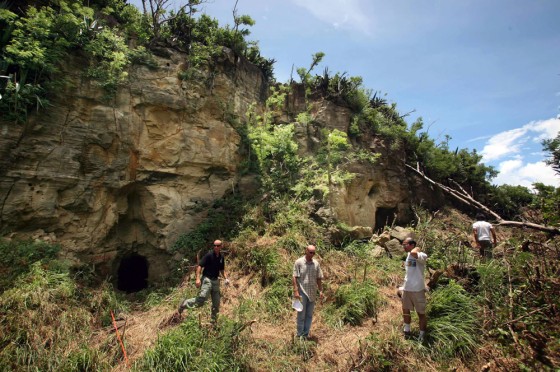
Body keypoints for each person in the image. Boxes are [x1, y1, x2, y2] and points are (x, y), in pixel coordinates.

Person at [178, 239, 230, 322]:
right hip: (207, 279)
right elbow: (200, 266)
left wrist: (226, 278)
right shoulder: (209, 255)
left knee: (216, 303)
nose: (216, 247)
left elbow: (222, 270)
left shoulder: (221, 257)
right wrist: (198, 278)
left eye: (217, 246)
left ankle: (213, 321)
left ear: (221, 246)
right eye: (214, 245)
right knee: (202, 299)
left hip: (216, 281)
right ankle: (184, 304)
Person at [292, 244, 324, 338]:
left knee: (309, 315)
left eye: (314, 253)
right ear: (306, 251)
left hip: (312, 292)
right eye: (310, 252)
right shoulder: (299, 262)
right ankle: (299, 335)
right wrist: (296, 291)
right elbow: (294, 276)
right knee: (301, 314)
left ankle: (305, 334)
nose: (312, 254)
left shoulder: (316, 264)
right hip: (302, 292)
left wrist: (321, 290)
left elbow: (319, 278)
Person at [401, 238, 428, 342]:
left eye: (405, 244)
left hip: (417, 289)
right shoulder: (408, 256)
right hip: (407, 288)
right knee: (405, 310)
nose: (403, 246)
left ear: (412, 245)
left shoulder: (422, 255)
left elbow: (414, 252)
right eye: (402, 244)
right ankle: (407, 330)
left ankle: (422, 335)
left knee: (420, 313)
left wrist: (417, 247)